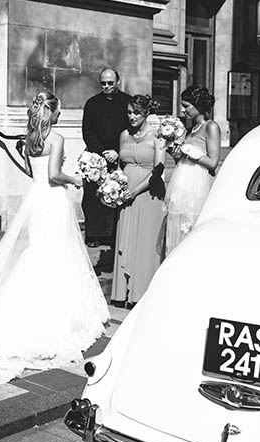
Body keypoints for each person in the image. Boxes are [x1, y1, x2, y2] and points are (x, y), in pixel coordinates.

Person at [0, 91, 109, 387]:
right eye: (59, 110)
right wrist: (76, 178)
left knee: (39, 251)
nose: (61, 115)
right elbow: (53, 175)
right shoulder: (57, 138)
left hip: (35, 199)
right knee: (55, 253)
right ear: (52, 112)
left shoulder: (29, 139)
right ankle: (50, 311)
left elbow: (32, 172)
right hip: (52, 199)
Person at [111, 94, 166, 307]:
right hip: (126, 195)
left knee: (144, 241)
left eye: (136, 113)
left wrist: (135, 191)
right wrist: (114, 186)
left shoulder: (157, 137)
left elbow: (158, 170)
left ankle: (141, 293)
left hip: (148, 194)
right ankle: (122, 292)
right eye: (129, 112)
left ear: (146, 114)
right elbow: (119, 166)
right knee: (125, 238)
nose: (131, 117)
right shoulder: (124, 134)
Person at [164, 84, 221, 256]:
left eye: (187, 106)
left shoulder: (211, 126)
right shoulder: (190, 130)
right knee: (180, 229)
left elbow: (213, 162)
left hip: (199, 186)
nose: (183, 110)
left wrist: (188, 153)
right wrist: (175, 154)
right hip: (183, 184)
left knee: (193, 227)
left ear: (199, 105)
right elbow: (184, 161)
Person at [81, 67, 131, 254]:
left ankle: (113, 234)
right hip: (97, 155)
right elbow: (87, 131)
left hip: (120, 155)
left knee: (116, 193)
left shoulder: (127, 102)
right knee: (94, 197)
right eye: (103, 83)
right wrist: (102, 151)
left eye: (110, 83)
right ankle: (94, 234)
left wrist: (118, 151)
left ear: (117, 81)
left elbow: (132, 128)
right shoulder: (92, 103)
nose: (107, 86)